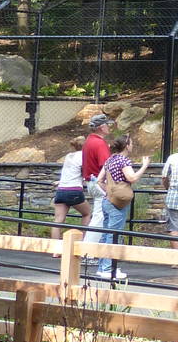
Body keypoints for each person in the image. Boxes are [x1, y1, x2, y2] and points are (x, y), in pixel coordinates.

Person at [85, 134, 148, 282]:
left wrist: (109, 191)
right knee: (115, 234)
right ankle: (108, 268)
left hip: (107, 201)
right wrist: (144, 166)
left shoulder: (110, 160)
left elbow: (99, 180)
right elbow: (132, 178)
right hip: (118, 203)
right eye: (131, 143)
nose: (132, 145)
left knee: (106, 233)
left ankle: (103, 267)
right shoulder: (123, 160)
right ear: (127, 145)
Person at [50, 137, 91, 240]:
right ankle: (82, 242)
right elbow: (85, 173)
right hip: (74, 191)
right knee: (87, 213)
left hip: (61, 190)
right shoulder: (84, 156)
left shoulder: (69, 156)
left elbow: (70, 172)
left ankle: (55, 249)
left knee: (58, 220)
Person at [80, 114, 114, 232]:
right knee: (100, 216)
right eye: (107, 125)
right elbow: (106, 166)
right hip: (99, 183)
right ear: (101, 127)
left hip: (91, 181)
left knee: (99, 214)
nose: (109, 127)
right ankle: (90, 245)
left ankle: (94, 243)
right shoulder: (100, 143)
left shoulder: (89, 141)